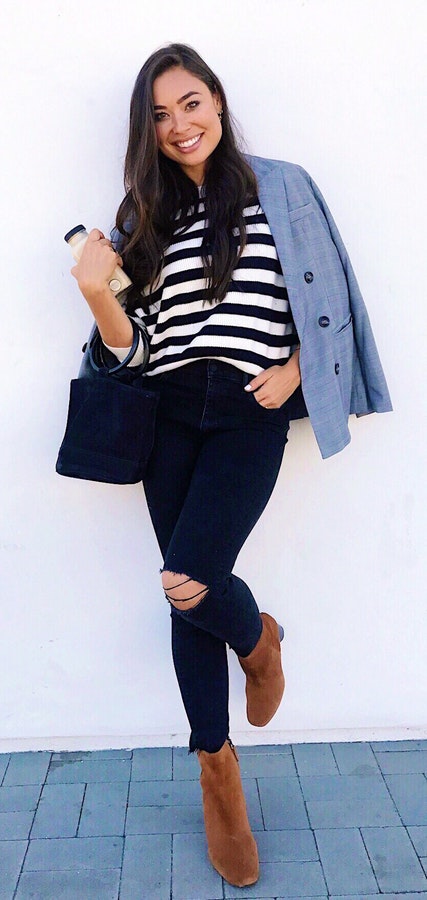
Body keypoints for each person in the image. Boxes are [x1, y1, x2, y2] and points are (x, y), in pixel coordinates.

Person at [70, 43, 392, 888]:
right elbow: (131, 347)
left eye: (190, 102)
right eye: (160, 114)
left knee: (186, 576)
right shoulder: (143, 213)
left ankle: (257, 637)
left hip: (247, 410)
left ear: (217, 98)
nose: (179, 125)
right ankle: (219, 776)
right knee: (184, 591)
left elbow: (328, 296)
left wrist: (293, 367)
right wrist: (99, 293)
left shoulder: (279, 184)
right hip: (168, 412)